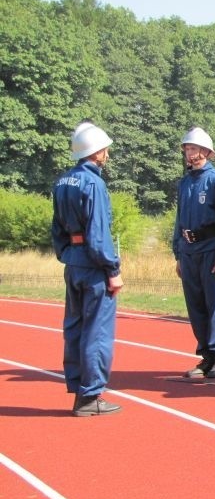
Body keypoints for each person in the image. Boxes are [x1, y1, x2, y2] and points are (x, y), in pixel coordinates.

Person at [51, 123, 124, 416]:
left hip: (74, 263)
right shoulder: (93, 184)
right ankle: (90, 396)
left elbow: (57, 229)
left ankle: (78, 387)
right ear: (97, 152)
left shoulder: (63, 181)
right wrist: (112, 267)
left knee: (75, 328)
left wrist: (68, 254)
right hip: (94, 267)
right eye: (105, 149)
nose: (106, 154)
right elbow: (98, 234)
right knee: (97, 332)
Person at [172, 127, 215, 379]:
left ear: (206, 152)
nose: (189, 153)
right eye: (187, 149)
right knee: (196, 305)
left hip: (211, 250)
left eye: (194, 148)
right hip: (188, 251)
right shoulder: (185, 183)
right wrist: (177, 252)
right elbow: (179, 220)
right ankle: (206, 355)